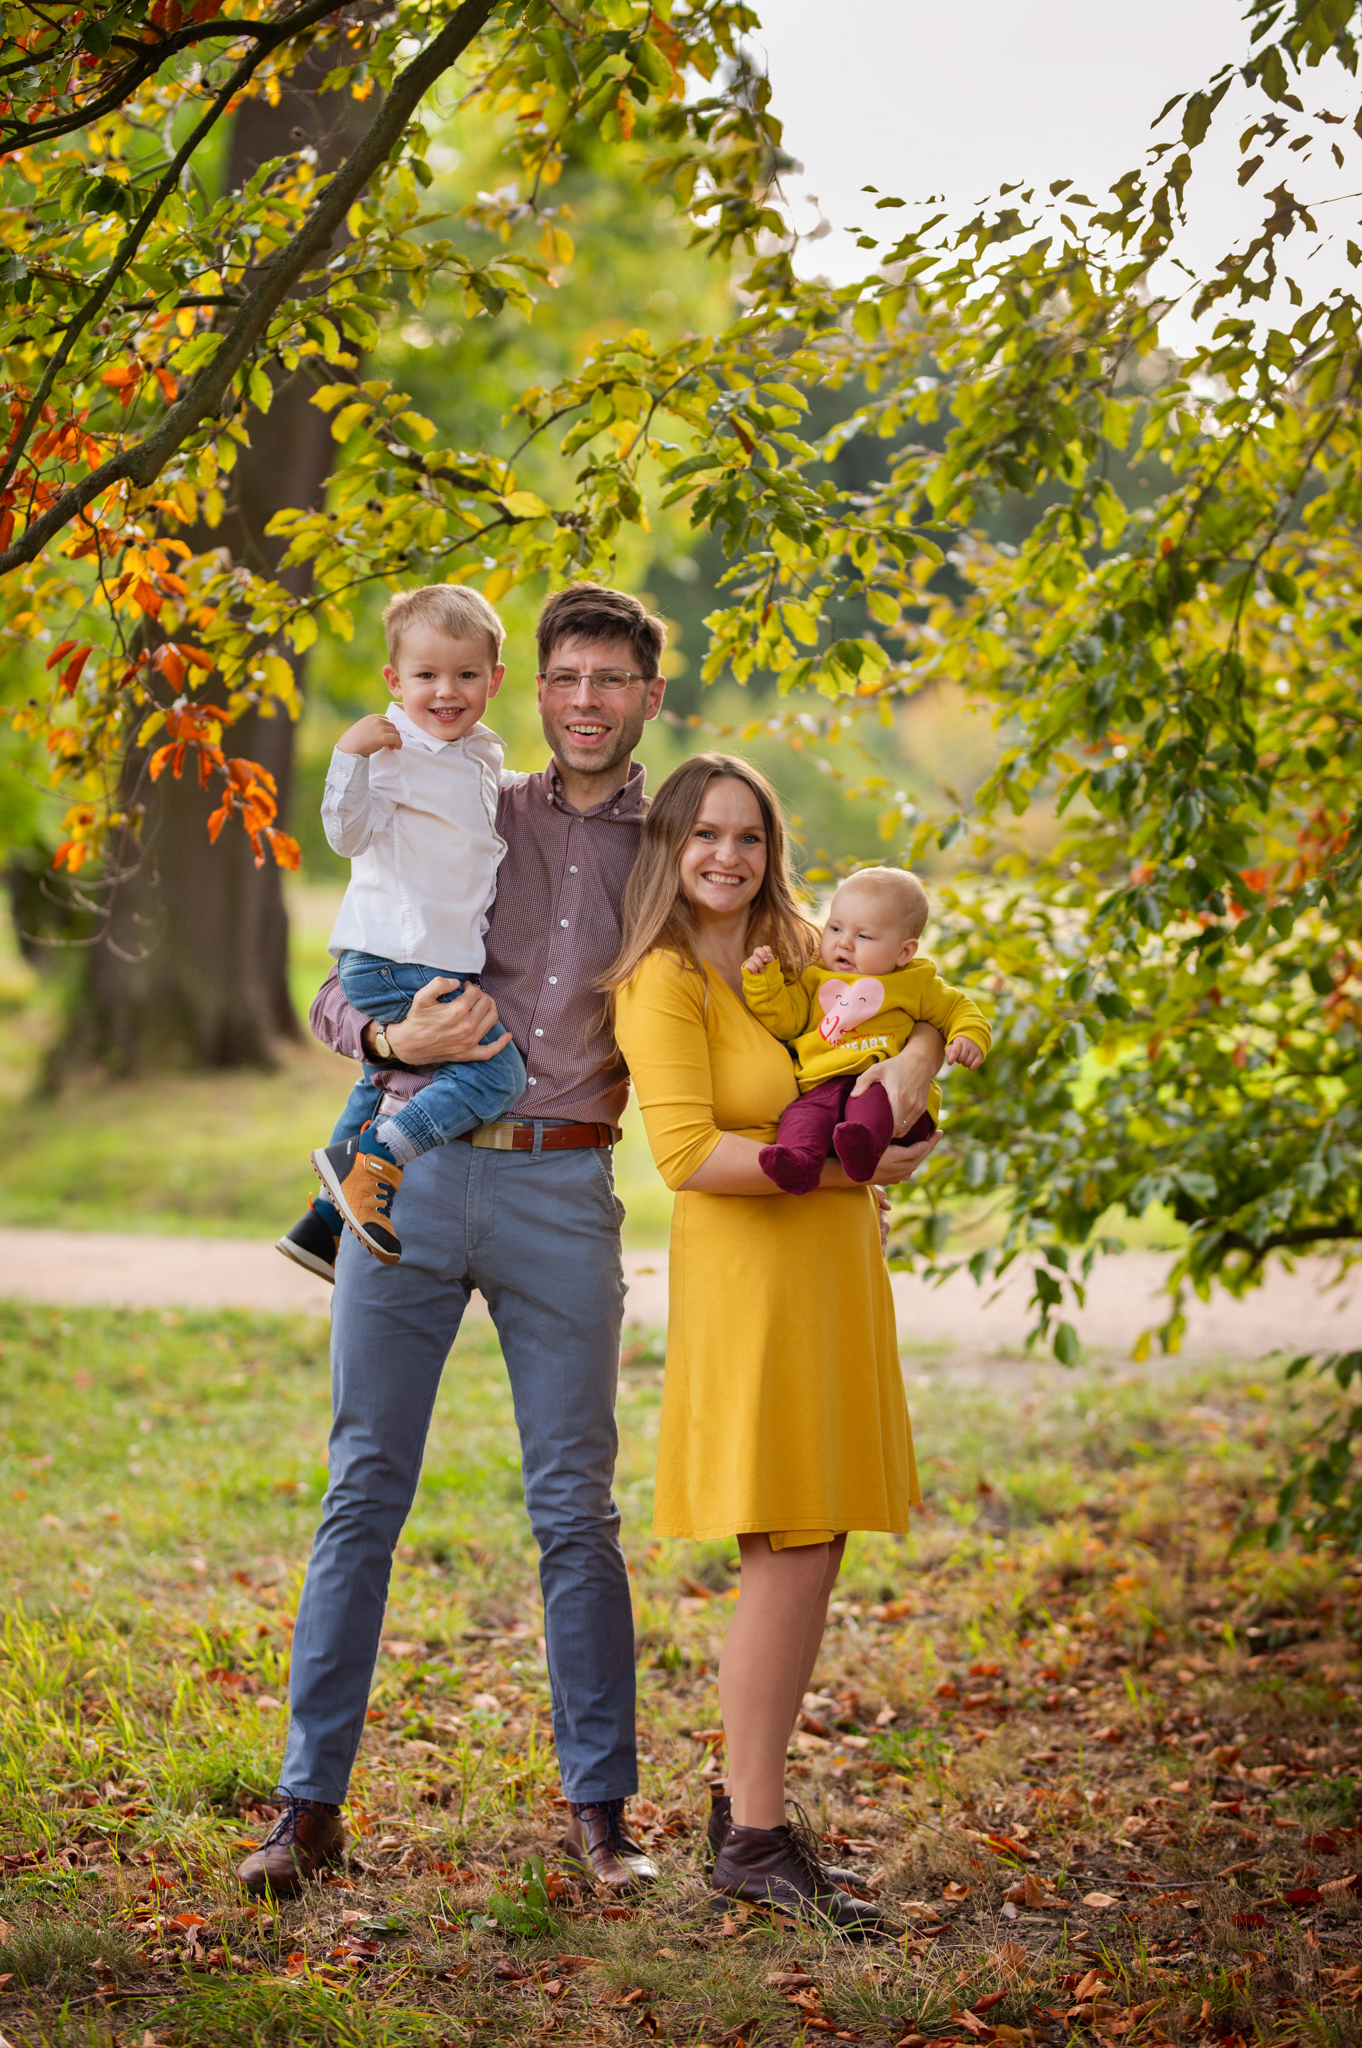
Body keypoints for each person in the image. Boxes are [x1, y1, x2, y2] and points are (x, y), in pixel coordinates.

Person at [237, 589, 941, 1903]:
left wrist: (902, 1082)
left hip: (565, 1189)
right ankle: (306, 1807)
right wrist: (387, 1038)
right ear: (534, 688)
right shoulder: (469, 806)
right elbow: (342, 978)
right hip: (416, 1177)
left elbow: (831, 980)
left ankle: (602, 1815)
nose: (585, 701)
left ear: (647, 698)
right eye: (565, 676)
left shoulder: (675, 851)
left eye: (611, 680)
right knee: (363, 1489)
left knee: (575, 1509)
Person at [609, 754, 941, 1933]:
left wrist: (912, 1081)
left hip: (835, 1262)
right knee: (789, 1535)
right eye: (705, 833)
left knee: (818, 1529)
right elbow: (688, 1154)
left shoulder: (806, 949)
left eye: (749, 835)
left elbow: (911, 1019)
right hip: (751, 1271)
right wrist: (855, 1157)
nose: (728, 855)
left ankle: (745, 1807)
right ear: (668, 844)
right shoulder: (658, 978)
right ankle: (754, 1834)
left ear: (773, 849)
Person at [277, 584, 526, 1277]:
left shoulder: (478, 753)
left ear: (493, 680)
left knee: (381, 1080)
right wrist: (348, 756)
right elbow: (346, 833)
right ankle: (377, 1159)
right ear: (395, 680)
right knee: (496, 1075)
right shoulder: (391, 751)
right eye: (426, 675)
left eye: (466, 674)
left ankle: (322, 1226)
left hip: (427, 956)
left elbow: (481, 806)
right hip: (397, 956)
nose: (446, 691)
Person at [742, 865, 989, 1195]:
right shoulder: (812, 977)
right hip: (822, 1085)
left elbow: (959, 1008)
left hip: (886, 1086)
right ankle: (798, 1163)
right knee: (801, 1117)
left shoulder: (916, 982)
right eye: (835, 928)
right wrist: (764, 982)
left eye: (864, 936)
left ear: (904, 952)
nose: (844, 943)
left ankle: (863, 1147)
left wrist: (968, 1036)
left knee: (868, 1107)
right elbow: (785, 1022)